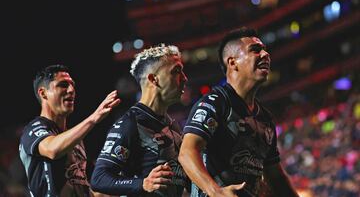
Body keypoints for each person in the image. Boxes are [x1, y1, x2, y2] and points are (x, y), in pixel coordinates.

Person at [178, 27, 299, 197]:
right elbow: (187, 153)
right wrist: (216, 192)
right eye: (255, 50)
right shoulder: (215, 102)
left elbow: (276, 178)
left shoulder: (265, 119)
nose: (265, 54)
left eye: (265, 49)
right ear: (233, 62)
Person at [90, 44, 189, 196]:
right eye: (176, 71)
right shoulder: (130, 123)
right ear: (153, 79)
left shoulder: (171, 124)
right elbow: (99, 179)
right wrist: (142, 183)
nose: (184, 78)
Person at [19, 64, 121, 197]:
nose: (71, 89)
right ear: (43, 93)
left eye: (72, 84)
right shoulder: (33, 129)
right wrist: (94, 117)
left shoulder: (75, 140)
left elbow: (83, 189)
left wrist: (130, 186)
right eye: (63, 85)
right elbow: (52, 149)